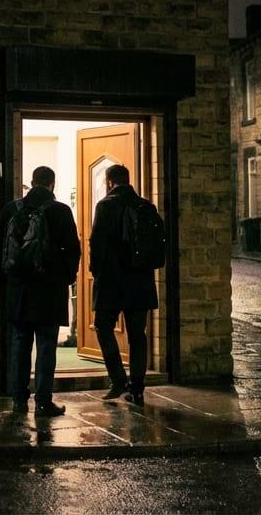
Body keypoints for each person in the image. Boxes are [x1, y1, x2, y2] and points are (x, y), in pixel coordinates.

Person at [0, 166, 80, 417]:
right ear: (52, 184)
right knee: (46, 346)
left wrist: (13, 275)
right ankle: (43, 401)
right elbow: (72, 251)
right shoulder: (61, 211)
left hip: (18, 290)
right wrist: (64, 277)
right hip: (49, 290)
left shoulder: (12, 209)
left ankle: (19, 399)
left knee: (19, 344)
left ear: (32, 182)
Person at [89, 164, 159, 406]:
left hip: (111, 281)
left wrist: (94, 272)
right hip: (140, 281)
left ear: (109, 182)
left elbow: (97, 243)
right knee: (138, 335)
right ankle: (137, 390)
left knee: (102, 327)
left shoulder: (105, 206)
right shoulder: (147, 206)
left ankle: (118, 379)